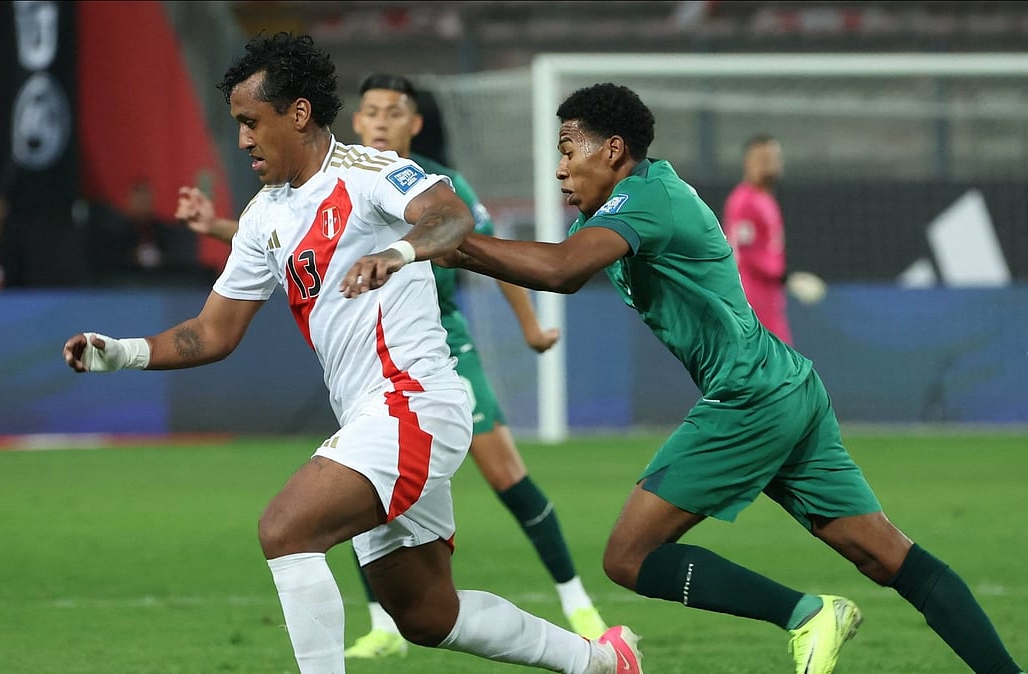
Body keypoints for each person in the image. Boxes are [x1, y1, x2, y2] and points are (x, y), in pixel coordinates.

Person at [63, 33, 642, 674]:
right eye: (237, 125)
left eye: (252, 122)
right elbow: (212, 333)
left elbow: (451, 216)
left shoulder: (368, 174)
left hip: (413, 403)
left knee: (285, 530)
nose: (244, 141)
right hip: (374, 417)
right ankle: (599, 664)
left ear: (300, 113)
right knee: (425, 614)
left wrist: (397, 251)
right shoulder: (263, 218)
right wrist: (118, 353)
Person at [411, 83, 1023, 674]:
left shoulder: (648, 199)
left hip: (750, 395)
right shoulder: (626, 207)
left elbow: (563, 271)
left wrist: (456, 245)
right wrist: (459, 249)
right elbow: (555, 261)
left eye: (570, 149)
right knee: (887, 555)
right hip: (784, 385)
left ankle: (806, 613)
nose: (560, 169)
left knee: (628, 557)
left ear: (614, 150)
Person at [341, 72, 609, 657]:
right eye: (372, 112)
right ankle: (384, 629)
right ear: (357, 122)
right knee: (364, 484)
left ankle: (576, 600)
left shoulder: (442, 186)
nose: (381, 121)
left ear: (414, 123)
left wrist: (532, 326)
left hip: (445, 350)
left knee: (505, 475)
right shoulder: (340, 181)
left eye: (394, 112)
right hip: (372, 360)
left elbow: (495, 257)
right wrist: (221, 229)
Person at [721, 134, 825, 345]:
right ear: (747, 163)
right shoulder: (744, 201)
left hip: (769, 300)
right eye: (762, 159)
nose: (769, 164)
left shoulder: (764, 199)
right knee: (775, 370)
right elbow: (747, 253)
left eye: (773, 158)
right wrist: (788, 279)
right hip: (752, 302)